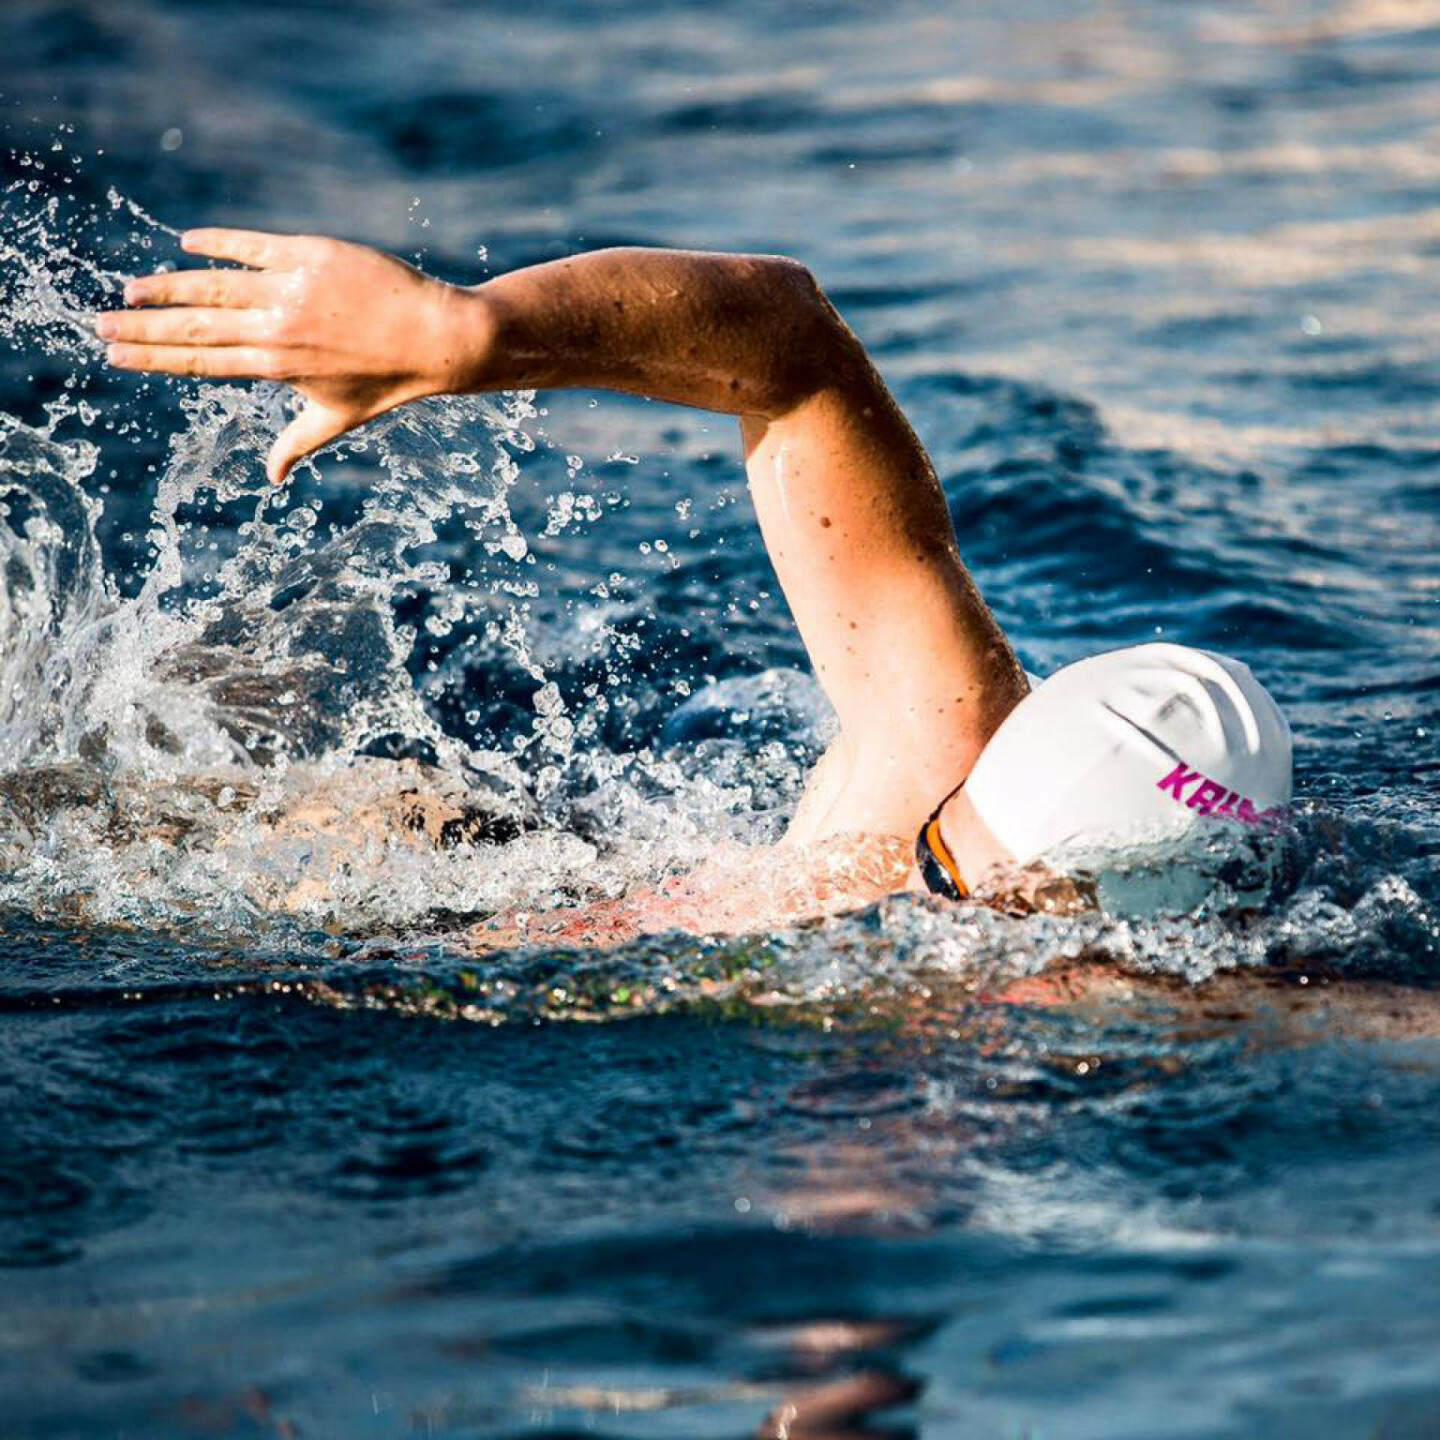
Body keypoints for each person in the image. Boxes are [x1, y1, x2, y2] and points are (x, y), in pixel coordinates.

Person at [95, 229, 1293, 938]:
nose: (921, 903)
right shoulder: (939, 748)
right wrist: (470, 335)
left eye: (970, 892)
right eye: (942, 866)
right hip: (437, 881)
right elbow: (789, 341)